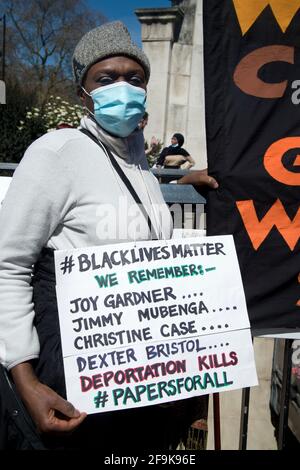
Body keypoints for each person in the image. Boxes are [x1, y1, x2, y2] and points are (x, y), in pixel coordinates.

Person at [0, 21, 217, 450]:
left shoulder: (139, 164)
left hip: (134, 361)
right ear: (83, 93)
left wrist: (183, 179)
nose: (123, 86)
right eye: (106, 78)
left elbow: (113, 197)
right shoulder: (54, 153)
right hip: (67, 356)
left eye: (133, 78)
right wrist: (23, 376)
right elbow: (7, 265)